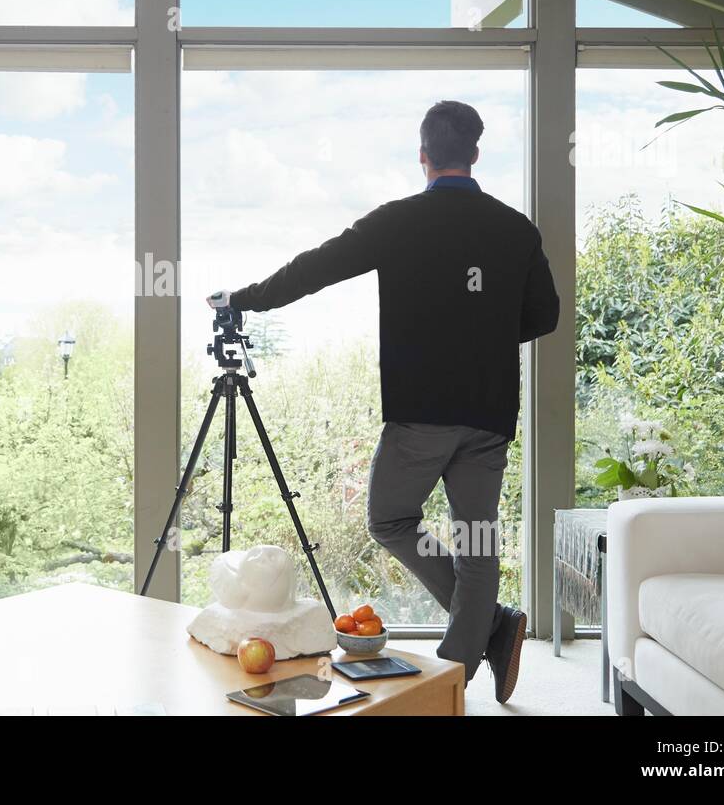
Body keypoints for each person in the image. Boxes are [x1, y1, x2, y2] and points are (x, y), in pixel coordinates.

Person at [210, 100, 559, 702]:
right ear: (475, 154)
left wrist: (243, 298)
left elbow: (314, 268)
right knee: (477, 542)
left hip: (420, 412)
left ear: (422, 155)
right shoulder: (515, 227)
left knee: (390, 520)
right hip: (488, 414)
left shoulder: (397, 220)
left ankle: (484, 634)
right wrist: (484, 331)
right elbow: (544, 316)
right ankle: (475, 645)